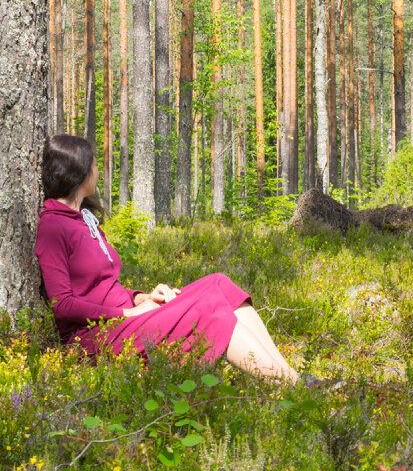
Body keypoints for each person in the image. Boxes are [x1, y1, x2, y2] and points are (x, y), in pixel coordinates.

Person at [33, 134, 300, 382]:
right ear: (78, 173)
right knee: (207, 306)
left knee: (220, 284)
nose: (97, 171)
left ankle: (290, 375)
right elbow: (63, 305)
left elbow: (103, 287)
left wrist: (144, 298)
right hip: (97, 337)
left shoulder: (83, 219)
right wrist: (126, 313)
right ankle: (290, 385)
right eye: (92, 166)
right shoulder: (53, 226)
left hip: (122, 320)